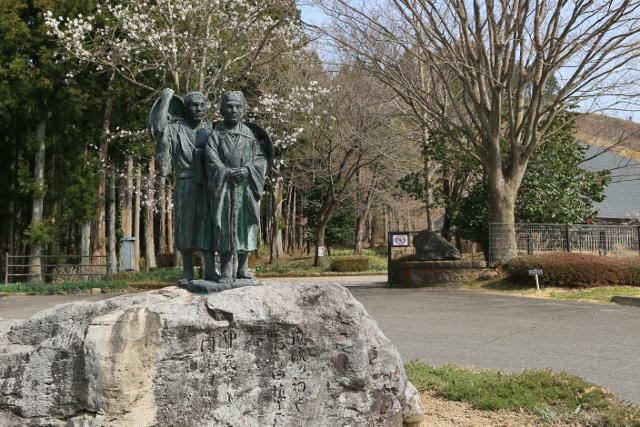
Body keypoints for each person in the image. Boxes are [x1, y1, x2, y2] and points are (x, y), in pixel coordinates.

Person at [149, 88, 216, 283]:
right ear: (185, 108)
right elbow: (159, 129)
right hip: (185, 183)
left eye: (202, 105)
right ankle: (187, 270)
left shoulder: (210, 130)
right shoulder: (175, 128)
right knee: (185, 226)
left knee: (207, 225)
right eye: (194, 105)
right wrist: (166, 99)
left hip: (207, 185)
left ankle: (210, 269)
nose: (198, 109)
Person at [205, 91, 272, 281]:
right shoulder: (215, 135)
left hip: (246, 188)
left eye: (237, 107)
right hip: (224, 188)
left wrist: (248, 170)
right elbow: (211, 158)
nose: (233, 110)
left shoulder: (250, 135)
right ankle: (226, 269)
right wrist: (225, 171)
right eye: (229, 106)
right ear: (221, 110)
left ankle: (243, 267)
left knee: (246, 225)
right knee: (224, 226)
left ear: (243, 110)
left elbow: (260, 159)